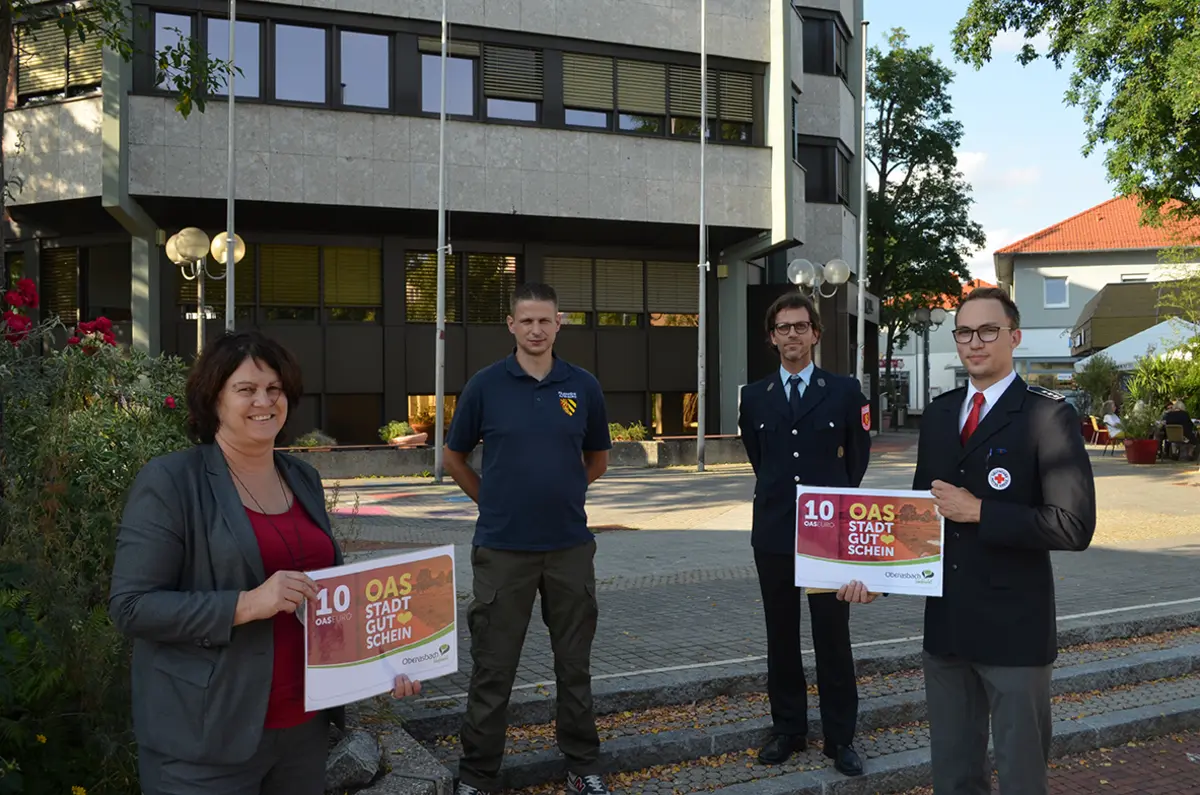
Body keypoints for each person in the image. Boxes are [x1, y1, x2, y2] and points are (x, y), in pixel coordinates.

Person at [109, 331, 420, 795]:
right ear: (213, 398)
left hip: (304, 730)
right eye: (246, 389)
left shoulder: (302, 477)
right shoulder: (172, 481)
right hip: (206, 737)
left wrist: (385, 660)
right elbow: (131, 606)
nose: (264, 401)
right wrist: (247, 604)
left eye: (274, 389)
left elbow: (330, 598)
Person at [839, 287, 1096, 794]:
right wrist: (878, 578)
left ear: (1014, 337)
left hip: (1014, 633)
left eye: (987, 331)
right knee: (954, 776)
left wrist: (980, 511)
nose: (974, 343)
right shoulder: (939, 415)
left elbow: (1073, 525)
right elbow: (918, 518)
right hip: (948, 629)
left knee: (1022, 777)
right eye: (963, 332)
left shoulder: (1048, 415)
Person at [443, 282, 612, 795]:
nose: (536, 330)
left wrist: (560, 494)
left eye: (546, 320)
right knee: (492, 671)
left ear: (559, 323)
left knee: (574, 668)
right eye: (527, 321)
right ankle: (477, 776)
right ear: (512, 326)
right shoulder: (485, 385)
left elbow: (597, 459)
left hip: (568, 548)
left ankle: (582, 767)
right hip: (502, 550)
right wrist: (491, 502)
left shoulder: (582, 386)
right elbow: (453, 457)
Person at [737, 291, 872, 776]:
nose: (792, 334)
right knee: (781, 636)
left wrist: (831, 509)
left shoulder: (844, 391)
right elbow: (760, 457)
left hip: (826, 534)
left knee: (832, 636)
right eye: (782, 327)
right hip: (774, 532)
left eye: (800, 326)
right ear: (771, 338)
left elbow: (856, 459)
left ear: (816, 333)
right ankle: (789, 729)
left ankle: (841, 738)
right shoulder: (754, 397)